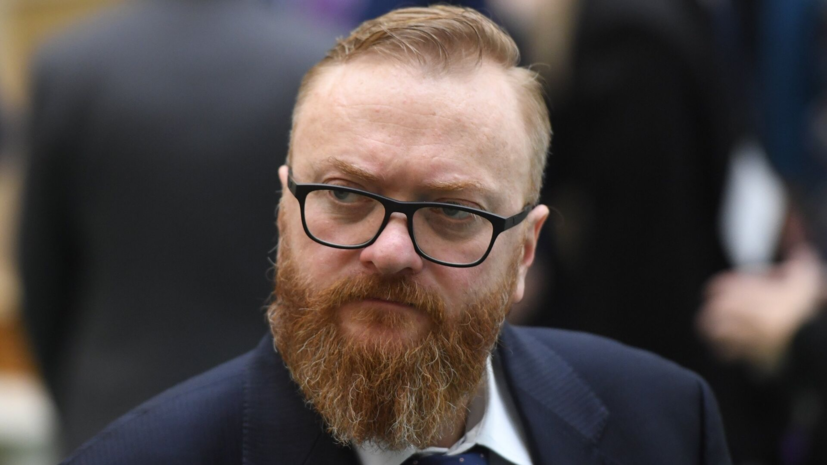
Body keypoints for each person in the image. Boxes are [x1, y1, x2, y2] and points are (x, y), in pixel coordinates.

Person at [61, 6, 732, 464]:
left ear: (525, 250)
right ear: (285, 212)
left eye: (452, 212)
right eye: (345, 196)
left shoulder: (667, 420)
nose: (389, 251)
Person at [19, 0, 331, 450]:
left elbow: (41, 265)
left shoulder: (71, 63)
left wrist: (74, 396)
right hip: (275, 421)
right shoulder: (314, 64)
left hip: (112, 413)